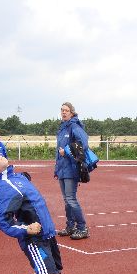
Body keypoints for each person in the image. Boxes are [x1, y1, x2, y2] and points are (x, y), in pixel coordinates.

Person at [55, 101, 90, 240]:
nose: (63, 112)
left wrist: (67, 151)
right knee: (66, 200)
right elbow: (58, 152)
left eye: (66, 110)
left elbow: (84, 144)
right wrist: (57, 169)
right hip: (62, 169)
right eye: (62, 110)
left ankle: (82, 228)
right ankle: (70, 226)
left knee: (71, 199)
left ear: (72, 112)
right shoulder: (62, 128)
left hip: (72, 168)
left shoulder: (75, 126)